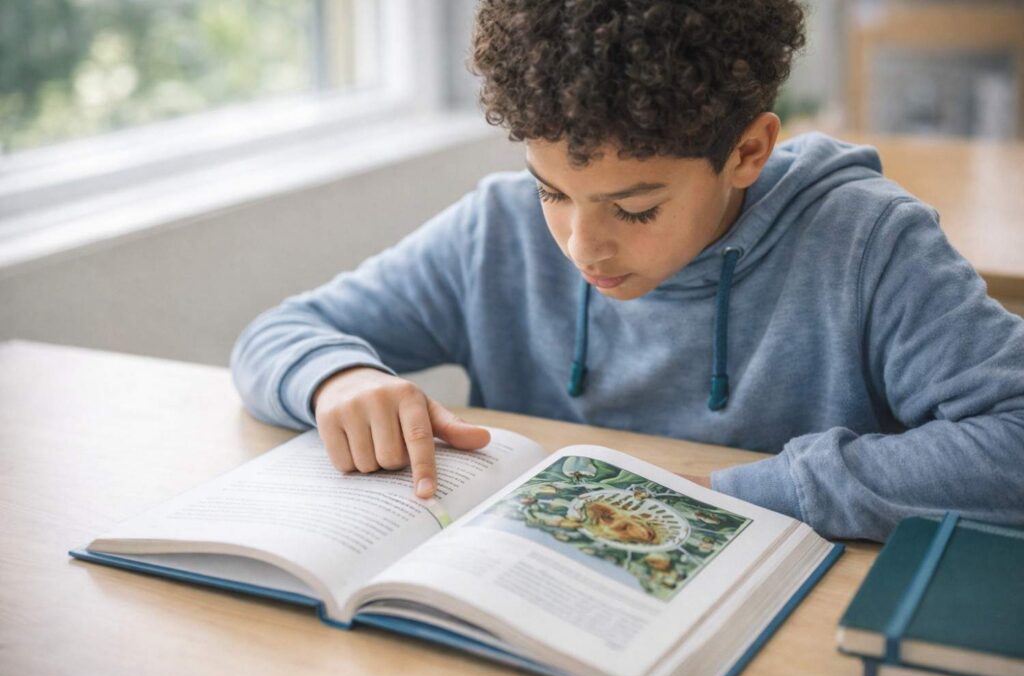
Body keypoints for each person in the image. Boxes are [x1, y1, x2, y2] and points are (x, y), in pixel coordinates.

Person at [231, 0, 1024, 541]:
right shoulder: (496, 233)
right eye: (552, 193)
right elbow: (281, 331)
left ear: (748, 151)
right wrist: (337, 378)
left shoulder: (867, 244)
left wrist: (754, 493)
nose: (581, 246)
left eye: (635, 209)